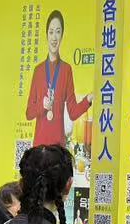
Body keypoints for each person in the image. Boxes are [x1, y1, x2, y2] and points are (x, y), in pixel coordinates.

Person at [24, 9, 91, 148]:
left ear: (62, 35)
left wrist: (88, 100)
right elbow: (29, 113)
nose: (54, 37)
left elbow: (73, 113)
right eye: (51, 32)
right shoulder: (38, 70)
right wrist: (42, 106)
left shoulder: (66, 70)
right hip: (39, 147)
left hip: (58, 147)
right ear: (46, 35)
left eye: (58, 32)